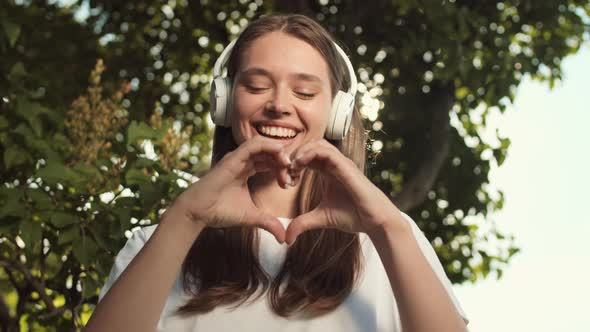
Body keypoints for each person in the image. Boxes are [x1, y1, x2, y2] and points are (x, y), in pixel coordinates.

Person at [86, 14, 469, 332]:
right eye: (255, 86)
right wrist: (187, 218)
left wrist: (387, 228)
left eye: (304, 93)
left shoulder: (391, 240)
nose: (279, 105)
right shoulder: (158, 241)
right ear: (224, 102)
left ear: (336, 113)